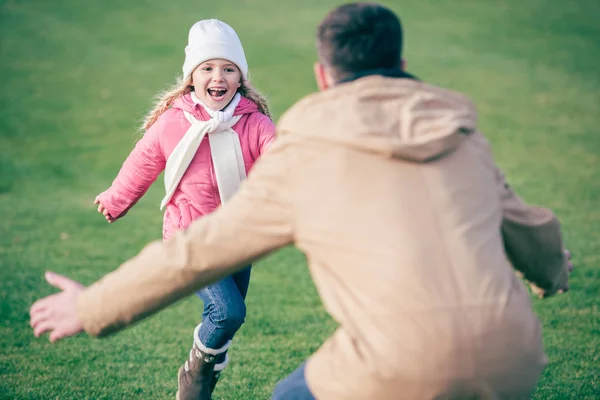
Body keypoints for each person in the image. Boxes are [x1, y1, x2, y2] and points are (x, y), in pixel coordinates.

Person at [30, 3, 573, 399]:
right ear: (402, 60)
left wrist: (93, 307)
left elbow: (198, 252)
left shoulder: (305, 151)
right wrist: (549, 274)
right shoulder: (465, 138)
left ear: (322, 75)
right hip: (516, 357)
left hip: (399, 359)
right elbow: (537, 232)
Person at [91, 18, 275, 399]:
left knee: (229, 318)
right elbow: (141, 164)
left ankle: (207, 367)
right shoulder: (174, 124)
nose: (218, 77)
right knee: (227, 313)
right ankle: (194, 373)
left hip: (239, 238)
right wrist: (115, 200)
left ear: (240, 78)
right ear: (192, 77)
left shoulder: (254, 125)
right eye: (207, 68)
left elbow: (284, 161)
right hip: (190, 240)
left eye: (228, 69)